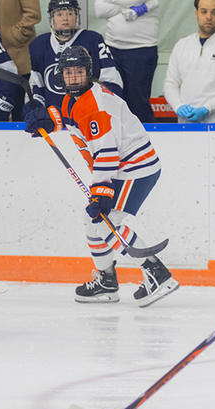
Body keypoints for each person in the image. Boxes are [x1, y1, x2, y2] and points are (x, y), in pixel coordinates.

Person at [24, 46, 177, 307]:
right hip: (124, 167)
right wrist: (48, 122)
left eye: (79, 72)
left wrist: (102, 192)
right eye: (69, 73)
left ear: (88, 73)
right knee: (92, 218)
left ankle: (156, 273)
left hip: (134, 168)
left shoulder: (95, 105)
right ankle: (106, 281)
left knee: (105, 221)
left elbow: (107, 152)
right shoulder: (74, 98)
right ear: (61, 76)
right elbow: (71, 118)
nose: (74, 78)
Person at [94, 0, 160, 124]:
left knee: (137, 104)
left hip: (141, 50)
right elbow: (99, 10)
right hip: (112, 48)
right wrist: (128, 6)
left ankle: (145, 148)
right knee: (113, 102)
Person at [28, 0, 123, 117]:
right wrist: (37, 109)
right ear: (52, 18)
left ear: (77, 16)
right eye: (59, 14)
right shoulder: (39, 45)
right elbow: (37, 87)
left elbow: (114, 84)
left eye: (70, 13)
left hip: (88, 116)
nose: (65, 18)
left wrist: (94, 107)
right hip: (52, 119)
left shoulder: (93, 40)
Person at [163, 0, 215, 123]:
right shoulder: (182, 45)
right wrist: (178, 106)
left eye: (214, 12)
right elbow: (170, 83)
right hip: (185, 126)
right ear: (196, 13)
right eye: (204, 11)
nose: (209, 17)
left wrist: (207, 109)